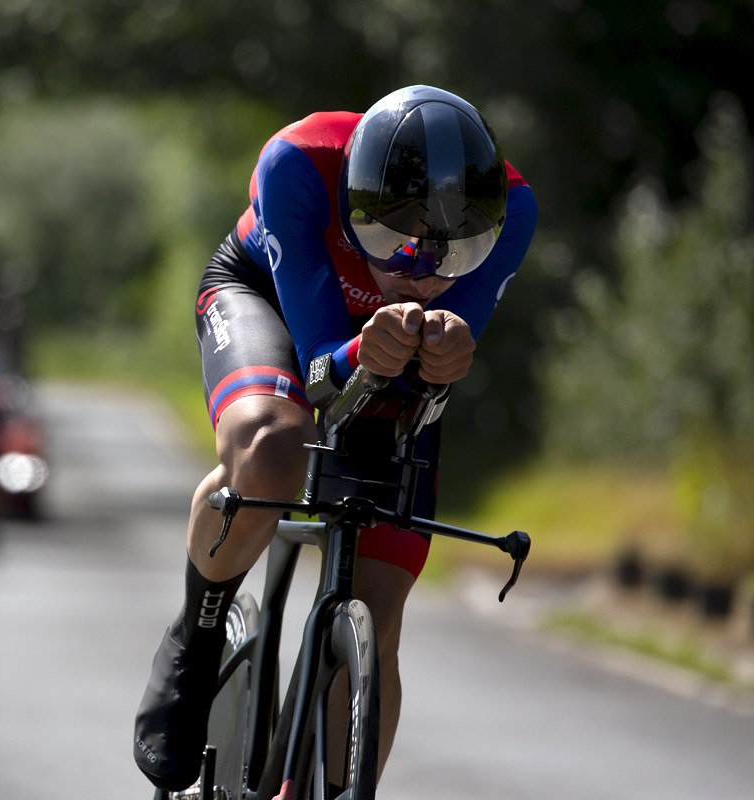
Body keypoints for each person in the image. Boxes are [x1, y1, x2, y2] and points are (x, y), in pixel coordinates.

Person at [133, 85, 538, 795]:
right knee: (272, 448)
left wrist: (447, 350)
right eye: (392, 241)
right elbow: (321, 361)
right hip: (269, 297)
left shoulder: (516, 211)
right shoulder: (297, 161)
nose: (416, 272)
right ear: (355, 200)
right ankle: (198, 632)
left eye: (452, 255)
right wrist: (363, 353)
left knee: (379, 620)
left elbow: (436, 365)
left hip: (389, 354)